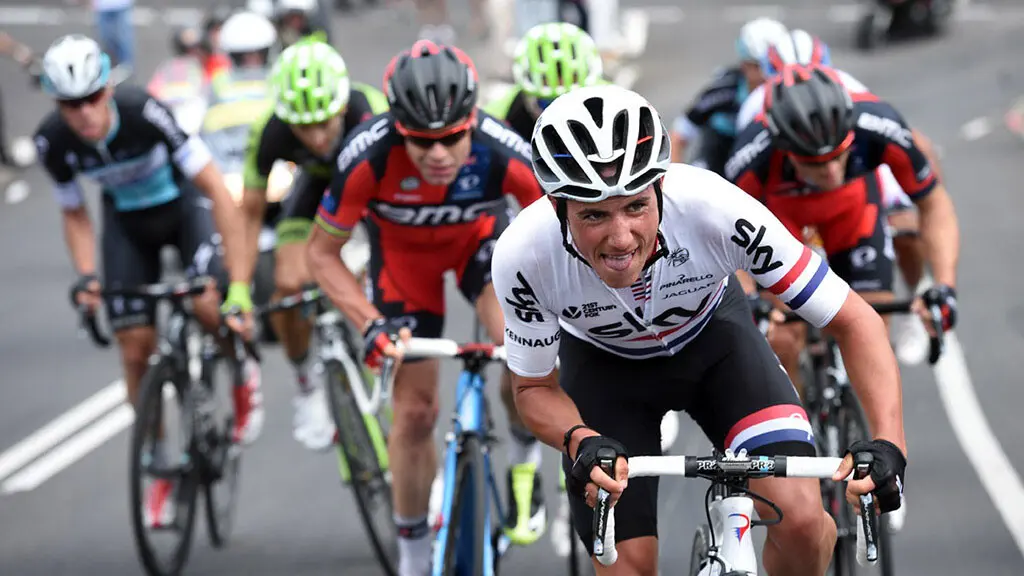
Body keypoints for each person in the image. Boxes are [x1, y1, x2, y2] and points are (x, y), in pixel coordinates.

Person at [493, 83, 909, 575]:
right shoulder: (525, 256)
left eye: (636, 207)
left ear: (661, 188)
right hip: (607, 374)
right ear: (558, 207)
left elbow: (854, 319)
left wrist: (889, 444)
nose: (621, 236)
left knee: (804, 524)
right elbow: (533, 387)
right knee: (628, 567)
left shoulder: (715, 209)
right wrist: (579, 438)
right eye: (594, 215)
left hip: (717, 347)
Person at [307, 40, 545, 575]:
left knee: (520, 351)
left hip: (481, 250)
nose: (438, 155)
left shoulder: (503, 148)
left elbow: (561, 228)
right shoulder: (365, 155)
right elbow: (320, 254)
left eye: (452, 139)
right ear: (397, 130)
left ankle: (523, 459)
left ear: (472, 121)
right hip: (402, 267)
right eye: (422, 143)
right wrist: (369, 325)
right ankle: (414, 557)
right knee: (415, 414)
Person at [33, 34, 259, 527]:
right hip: (127, 226)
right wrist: (89, 277)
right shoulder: (53, 141)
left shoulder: (144, 112)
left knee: (204, 304)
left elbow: (217, 190)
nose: (84, 113)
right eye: (71, 104)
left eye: (92, 98)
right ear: (57, 104)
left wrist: (236, 284)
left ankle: (240, 371)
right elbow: (75, 215)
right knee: (134, 348)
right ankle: (158, 463)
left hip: (184, 209)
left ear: (107, 92)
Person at [726, 64, 960, 399]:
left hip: (852, 212)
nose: (832, 171)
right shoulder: (751, 157)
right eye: (815, 164)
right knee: (779, 338)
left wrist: (944, 285)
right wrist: (750, 299)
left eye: (839, 156)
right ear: (785, 149)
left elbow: (934, 203)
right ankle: (800, 423)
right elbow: (727, 239)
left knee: (872, 332)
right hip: (782, 222)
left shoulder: (878, 124)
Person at [240, 38, 388, 451]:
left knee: (385, 291)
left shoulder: (369, 109)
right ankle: (307, 382)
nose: (318, 136)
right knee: (286, 285)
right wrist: (238, 288)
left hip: (371, 194)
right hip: (313, 194)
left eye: (325, 121)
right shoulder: (269, 131)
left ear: (342, 104)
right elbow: (249, 213)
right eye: (303, 127)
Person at [669, 17, 788, 174]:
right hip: (719, 155)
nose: (766, 75)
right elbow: (678, 136)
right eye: (758, 66)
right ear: (744, 64)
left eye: (774, 67)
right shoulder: (724, 90)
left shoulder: (790, 90)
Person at [485, 21, 605, 141]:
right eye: (547, 104)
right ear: (528, 97)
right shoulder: (501, 112)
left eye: (575, 104)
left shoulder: (613, 98)